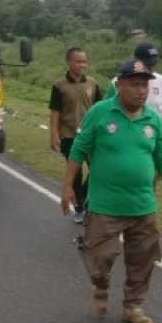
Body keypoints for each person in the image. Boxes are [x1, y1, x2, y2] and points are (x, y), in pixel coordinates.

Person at [62, 60, 162, 323]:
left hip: (143, 205)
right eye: (135, 85)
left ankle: (133, 307)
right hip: (105, 204)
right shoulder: (100, 113)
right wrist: (68, 186)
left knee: (143, 259)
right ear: (119, 85)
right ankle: (101, 285)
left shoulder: (153, 119)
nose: (141, 91)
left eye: (145, 85)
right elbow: (79, 149)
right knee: (100, 257)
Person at [49, 47, 102, 224]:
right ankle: (80, 208)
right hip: (69, 136)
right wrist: (54, 135)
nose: (82, 65)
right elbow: (55, 112)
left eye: (84, 61)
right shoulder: (59, 85)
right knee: (76, 173)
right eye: (78, 61)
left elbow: (101, 110)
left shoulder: (93, 83)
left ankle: (86, 200)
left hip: (91, 135)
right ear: (69, 62)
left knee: (98, 168)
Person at [108, 43, 162, 119]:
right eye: (147, 65)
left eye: (153, 64)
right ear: (134, 59)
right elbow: (107, 108)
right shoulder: (119, 82)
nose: (150, 68)